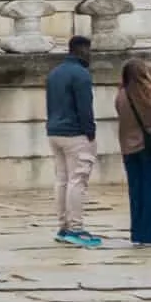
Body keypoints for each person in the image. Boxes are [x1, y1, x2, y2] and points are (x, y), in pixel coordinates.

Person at [44, 36, 103, 247]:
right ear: (81, 50)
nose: (90, 55)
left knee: (62, 180)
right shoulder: (81, 75)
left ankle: (63, 226)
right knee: (78, 181)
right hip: (75, 134)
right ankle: (75, 228)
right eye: (88, 50)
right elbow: (85, 108)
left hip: (54, 131)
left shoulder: (54, 73)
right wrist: (91, 132)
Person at [112, 60, 151, 246]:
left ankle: (138, 233)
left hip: (128, 148)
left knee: (136, 191)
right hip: (149, 146)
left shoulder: (121, 95)